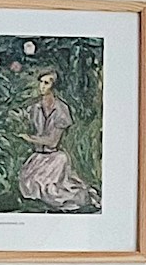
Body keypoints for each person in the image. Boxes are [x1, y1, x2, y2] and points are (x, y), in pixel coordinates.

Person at [17, 69, 95, 211]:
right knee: (27, 183)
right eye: (41, 82)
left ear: (54, 86)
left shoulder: (61, 109)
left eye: (46, 83)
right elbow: (21, 118)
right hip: (38, 157)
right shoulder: (34, 107)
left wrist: (30, 138)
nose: (42, 86)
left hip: (55, 158)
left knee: (52, 191)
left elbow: (53, 141)